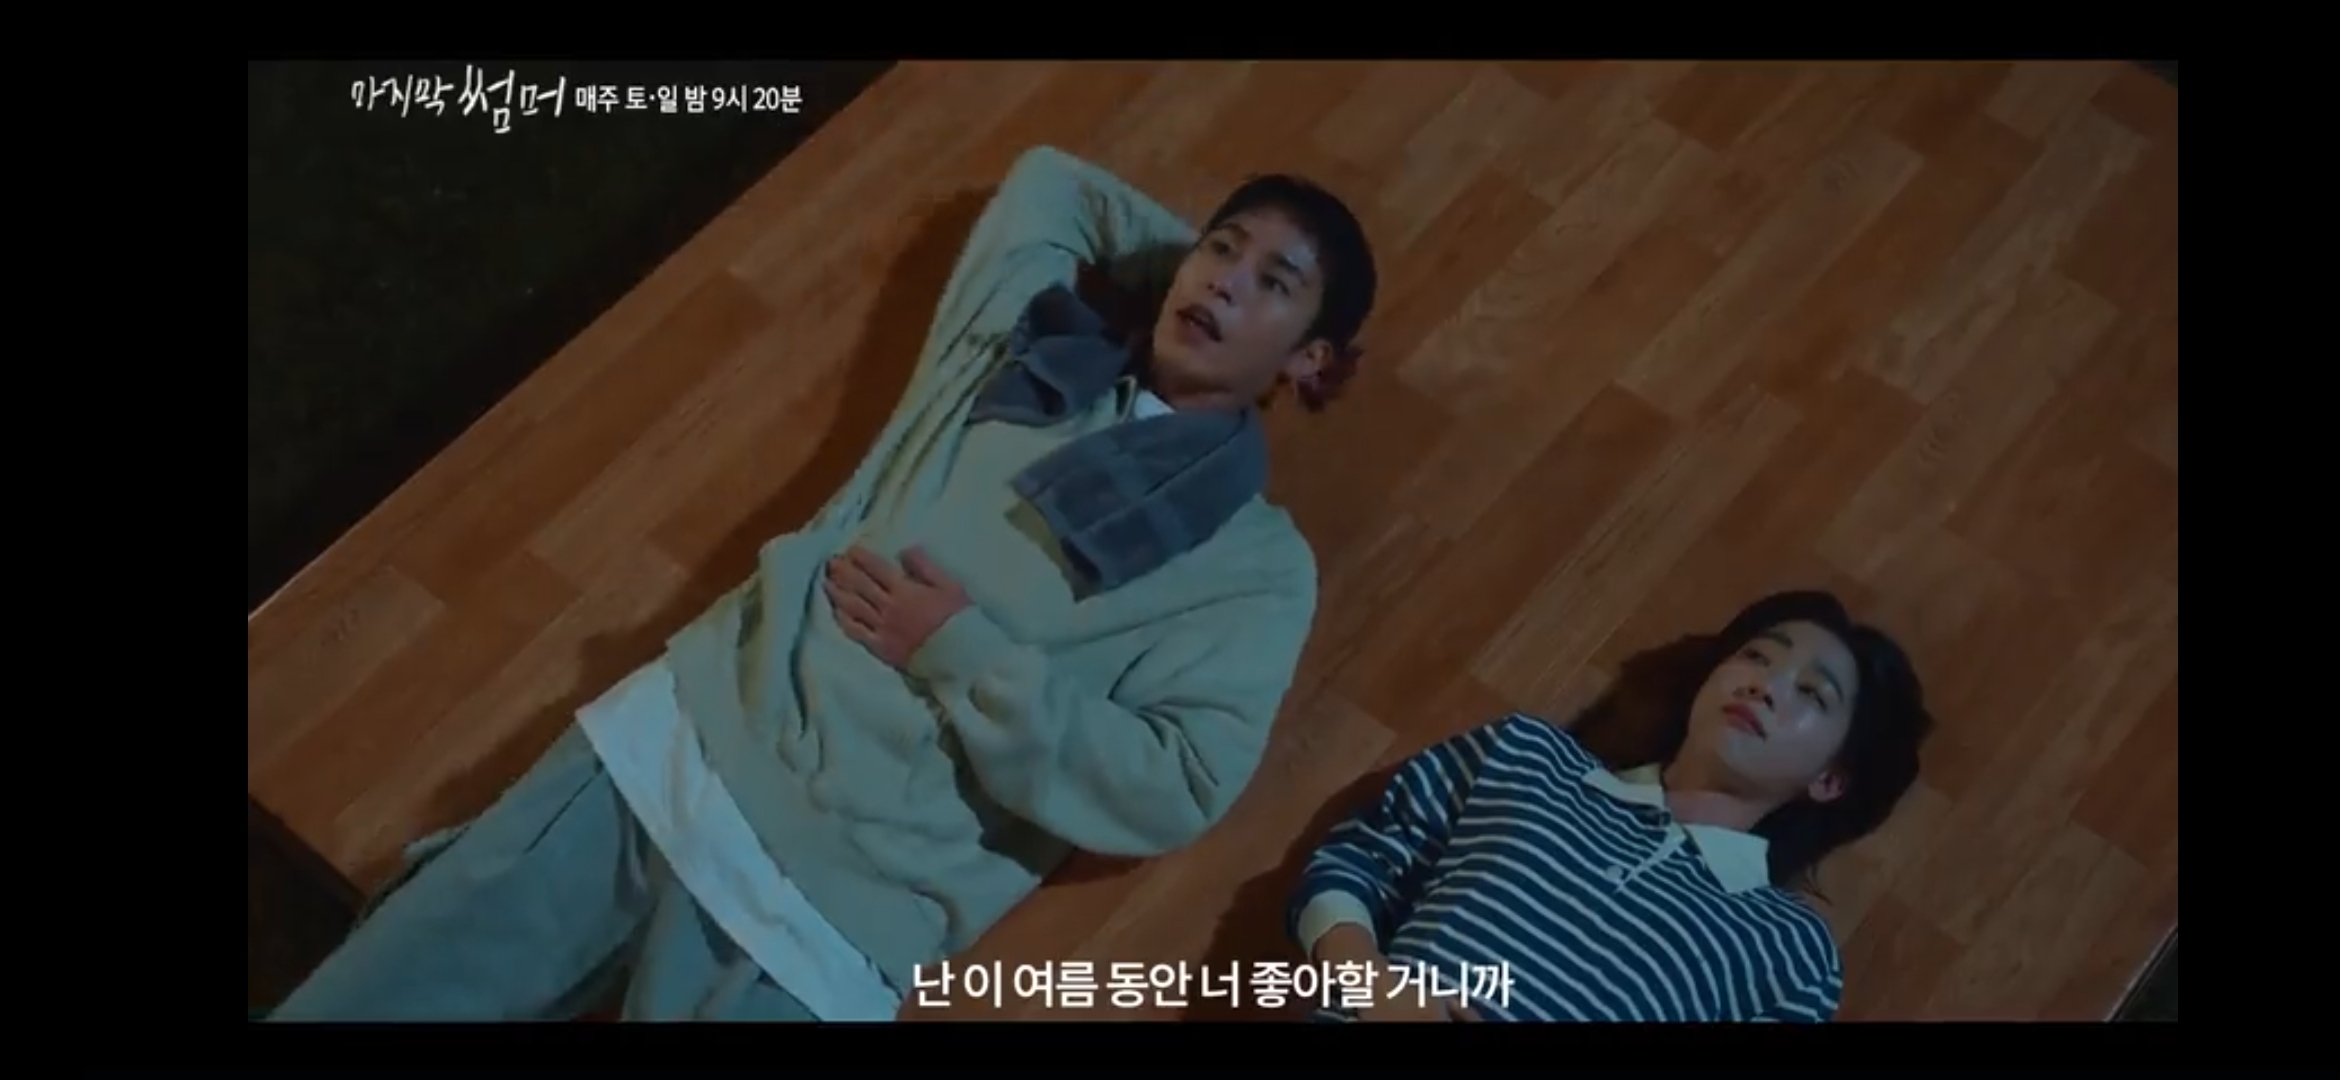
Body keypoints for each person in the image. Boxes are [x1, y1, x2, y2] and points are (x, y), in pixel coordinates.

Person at [271, 146, 1379, 1022]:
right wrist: (1198, 277)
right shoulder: (1032, 350)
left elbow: (1177, 782)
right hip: (674, 752)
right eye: (1220, 249)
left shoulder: (1257, 568)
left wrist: (966, 655)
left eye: (1272, 284)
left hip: (828, 919)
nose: (1225, 280)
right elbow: (1052, 185)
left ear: (1314, 361)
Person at [1288, 591, 1932, 1022]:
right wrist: (1373, 985)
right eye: (1757, 657)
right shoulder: (1525, 755)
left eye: (1812, 694)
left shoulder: (1790, 952)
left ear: (1830, 779)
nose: (1765, 686)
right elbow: (1356, 861)